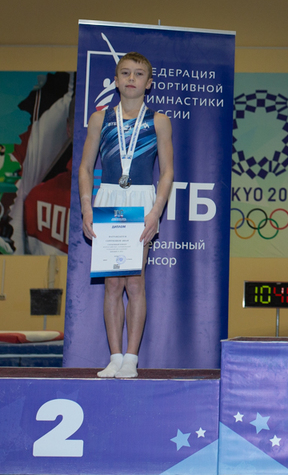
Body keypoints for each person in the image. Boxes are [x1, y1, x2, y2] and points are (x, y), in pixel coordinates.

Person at [79, 52, 174, 378]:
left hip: (141, 200)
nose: (131, 78)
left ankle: (132, 357)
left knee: (135, 281)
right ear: (116, 80)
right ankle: (115, 356)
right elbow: (85, 168)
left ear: (149, 83)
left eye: (138, 74)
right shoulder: (100, 119)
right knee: (112, 284)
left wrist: (156, 211)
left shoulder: (159, 121)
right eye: (125, 73)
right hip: (108, 197)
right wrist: (87, 206)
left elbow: (167, 171)